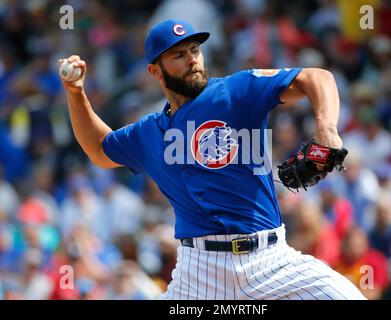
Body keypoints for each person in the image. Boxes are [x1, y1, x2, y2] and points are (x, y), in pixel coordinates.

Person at [58, 19, 365, 300]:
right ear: (155, 71)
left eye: (195, 50)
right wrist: (76, 94)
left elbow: (316, 77)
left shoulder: (237, 90)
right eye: (178, 55)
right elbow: (99, 149)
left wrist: (326, 128)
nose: (192, 58)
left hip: (271, 261)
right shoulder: (149, 132)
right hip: (199, 276)